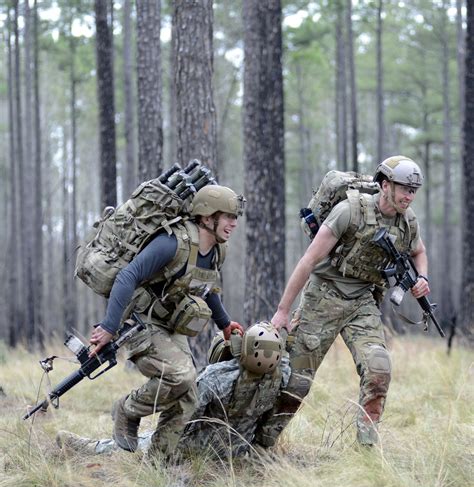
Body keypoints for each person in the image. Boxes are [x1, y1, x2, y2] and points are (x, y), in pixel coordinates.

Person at [268, 155, 431, 446]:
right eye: (404, 188)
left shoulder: (408, 222)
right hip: (323, 296)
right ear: (385, 185)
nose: (409, 195)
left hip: (362, 302)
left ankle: (367, 450)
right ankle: (261, 445)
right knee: (296, 383)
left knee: (379, 369)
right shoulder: (349, 211)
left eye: (413, 190)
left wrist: (423, 279)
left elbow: (419, 251)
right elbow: (308, 261)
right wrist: (283, 311)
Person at [87, 184, 246, 456]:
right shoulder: (172, 243)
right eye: (228, 216)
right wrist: (109, 327)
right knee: (181, 376)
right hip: (140, 322)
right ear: (207, 218)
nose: (233, 223)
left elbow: (205, 287)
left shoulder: (217, 250)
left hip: (170, 325)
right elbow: (127, 276)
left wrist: (224, 323)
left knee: (188, 397)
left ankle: (159, 463)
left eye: (235, 217)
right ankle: (127, 409)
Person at [57, 322, 291, 460]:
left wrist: (160, 452)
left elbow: (182, 416)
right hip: (239, 451)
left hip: (195, 447)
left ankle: (90, 447)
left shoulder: (217, 377)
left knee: (139, 444)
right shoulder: (281, 375)